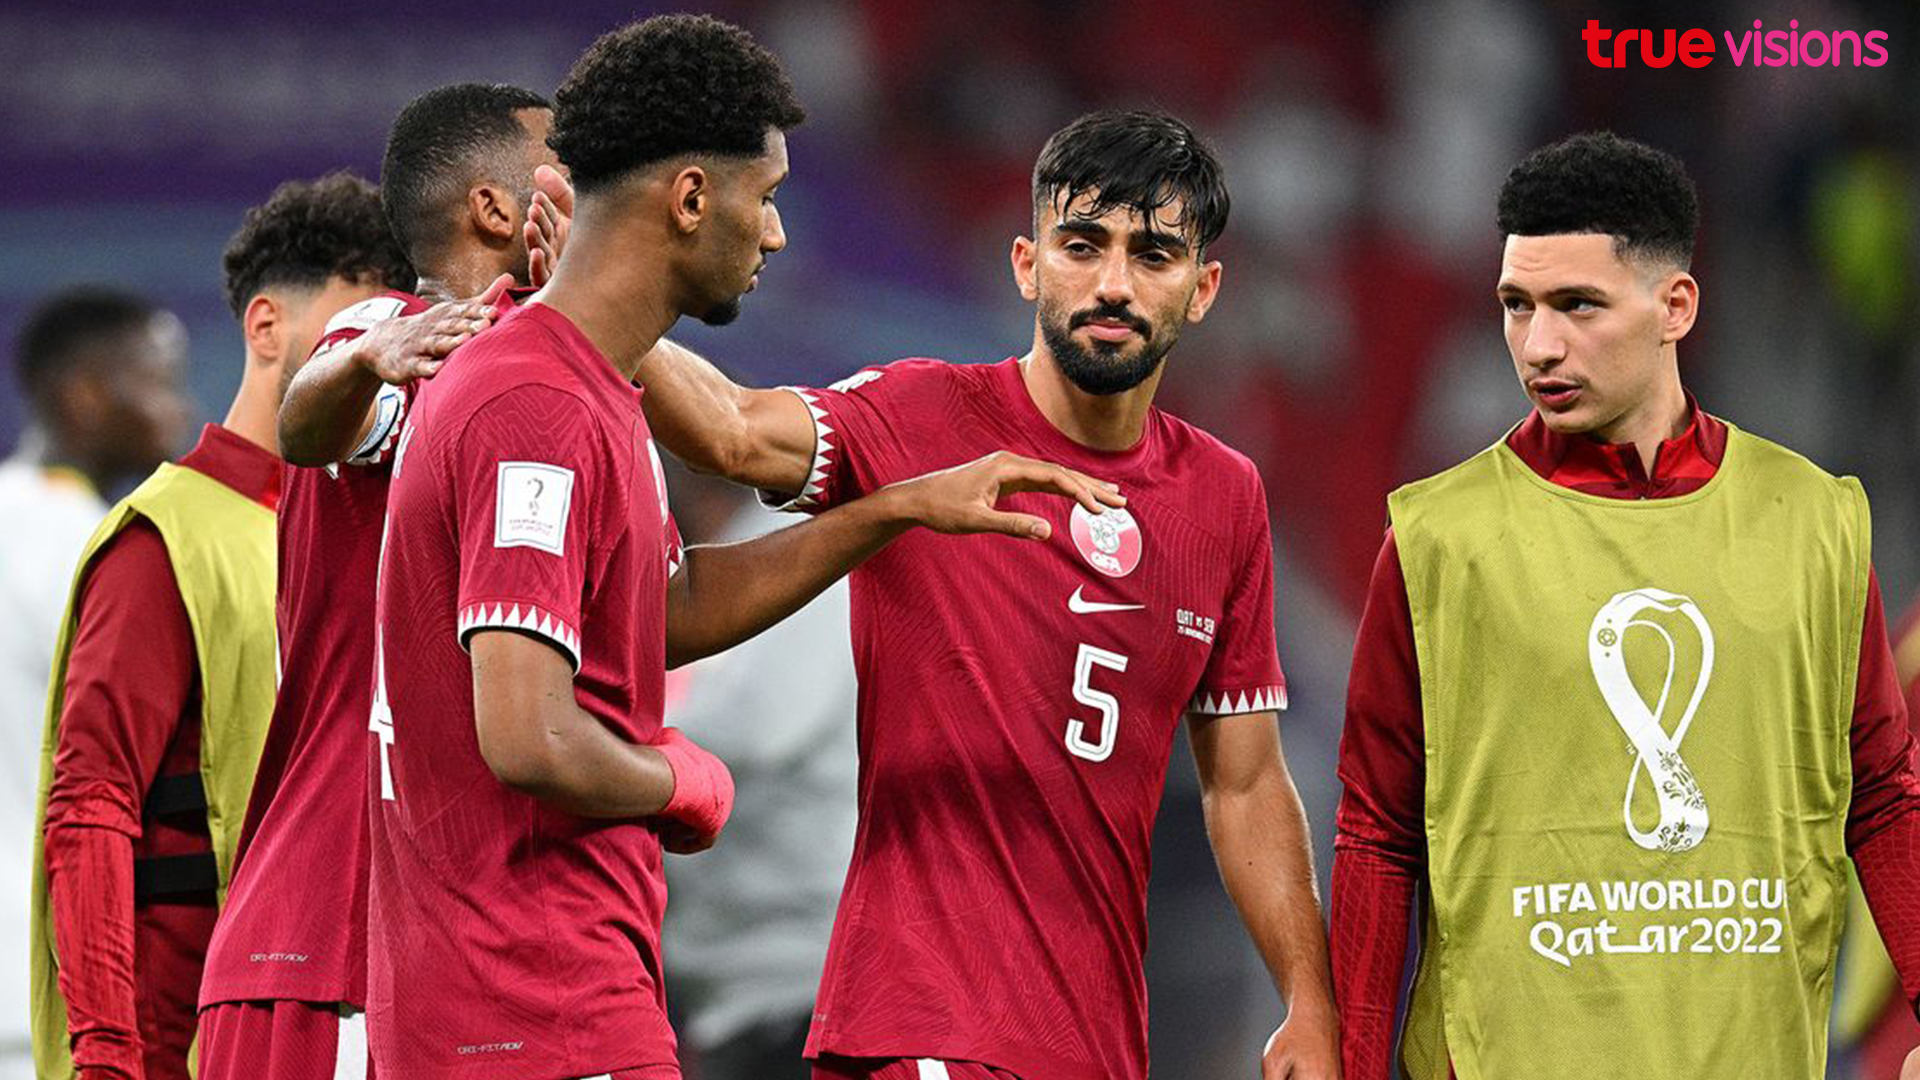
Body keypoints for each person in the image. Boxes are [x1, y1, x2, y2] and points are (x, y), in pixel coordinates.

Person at [366, 16, 1121, 1079]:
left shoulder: (590, 390)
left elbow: (660, 613)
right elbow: (530, 737)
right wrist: (682, 781)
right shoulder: (536, 406)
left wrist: (890, 511)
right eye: (764, 197)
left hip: (553, 993)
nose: (774, 235)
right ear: (690, 198)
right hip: (530, 1002)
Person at [532, 107, 1339, 1080]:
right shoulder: (922, 416)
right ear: (1027, 265)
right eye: (1082, 246)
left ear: (1203, 288)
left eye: (1154, 255)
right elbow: (734, 429)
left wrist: (1308, 999)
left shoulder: (1224, 498)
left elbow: (1244, 783)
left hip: (1093, 1042)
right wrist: (588, 292)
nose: (1114, 284)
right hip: (918, 1024)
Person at [1328, 131, 1920, 1079]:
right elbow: (1376, 834)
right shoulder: (1437, 540)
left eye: (1578, 305)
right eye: (1516, 306)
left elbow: (1883, 796)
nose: (1539, 345)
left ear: (1674, 306)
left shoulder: (1816, 522)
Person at [193, 83, 553, 1080]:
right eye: (565, 165)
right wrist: (369, 360)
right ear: (495, 208)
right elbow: (316, 416)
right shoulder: (409, 334)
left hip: (452, 947)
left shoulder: (561, 384)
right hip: (332, 952)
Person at [29, 173, 412, 1080]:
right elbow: (91, 807)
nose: (378, 356)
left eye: (396, 330)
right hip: (186, 1047)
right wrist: (108, 1058)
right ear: (266, 326)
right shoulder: (168, 539)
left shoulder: (387, 538)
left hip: (349, 1031)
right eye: (354, 324)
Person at [0, 287, 192, 1071]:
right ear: (84, 393)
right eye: (157, 382)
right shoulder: (100, 550)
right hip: (58, 985)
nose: (179, 411)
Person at [657, 465, 858, 1080]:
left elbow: (757, 726)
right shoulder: (706, 569)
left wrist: (595, 739)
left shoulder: (787, 553)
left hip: (807, 983)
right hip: (735, 989)